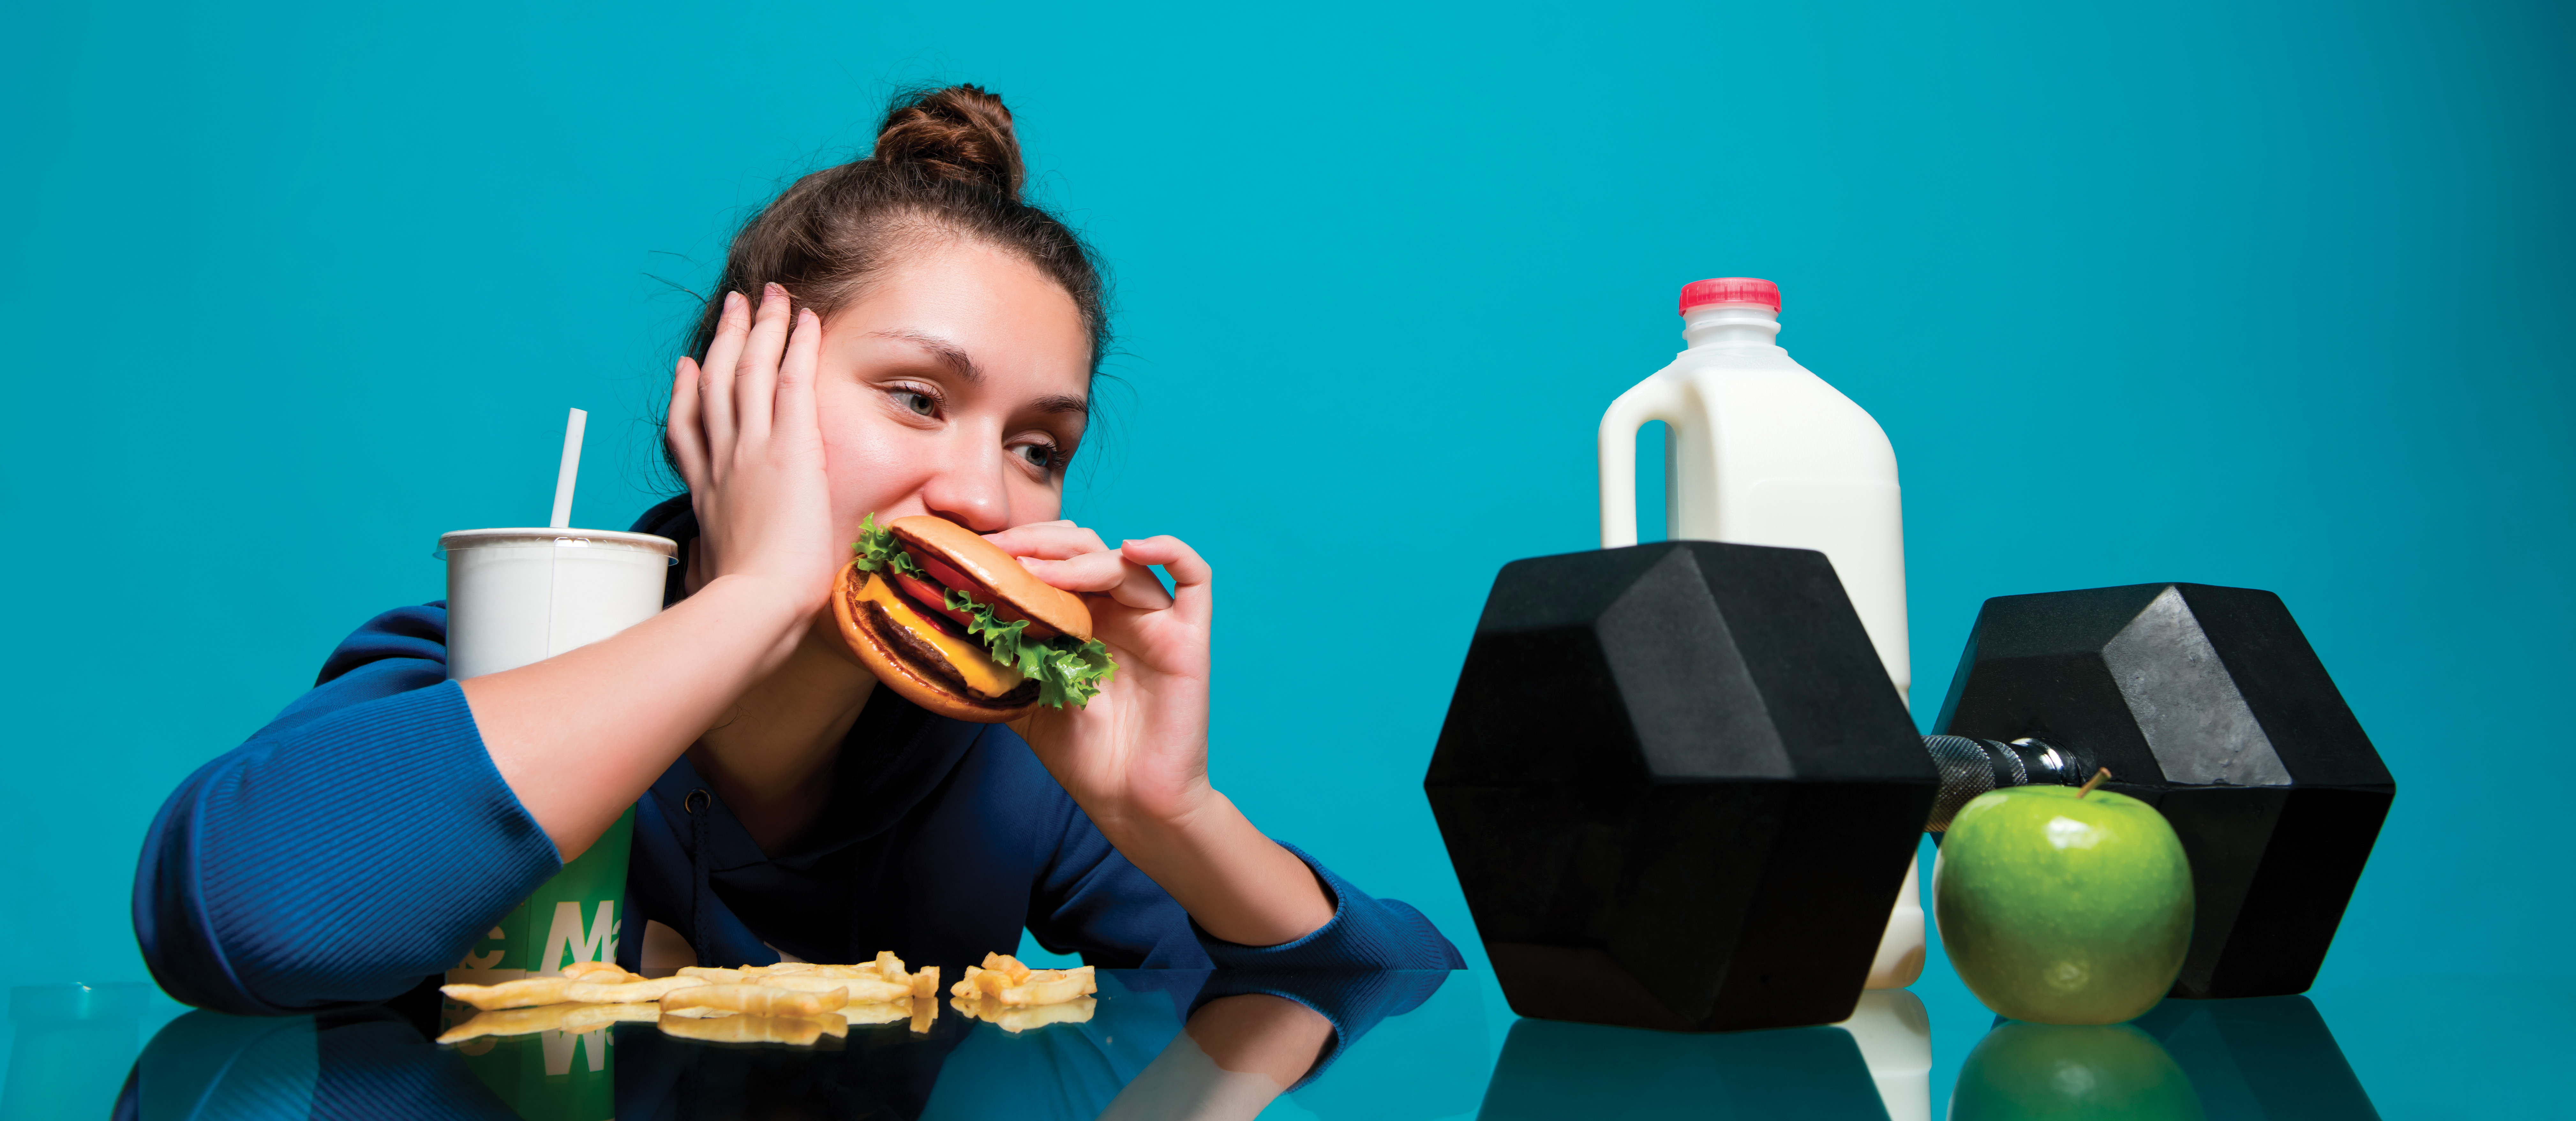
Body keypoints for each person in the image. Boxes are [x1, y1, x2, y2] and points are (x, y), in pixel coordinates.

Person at [134, 84, 1461, 1016]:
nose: (987, 498)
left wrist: (1165, 814)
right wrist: (759, 597)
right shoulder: (501, 662)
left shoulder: (996, 767)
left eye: (1040, 447)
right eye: (918, 398)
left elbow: (1393, 1009)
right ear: (729, 390)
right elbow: (241, 916)